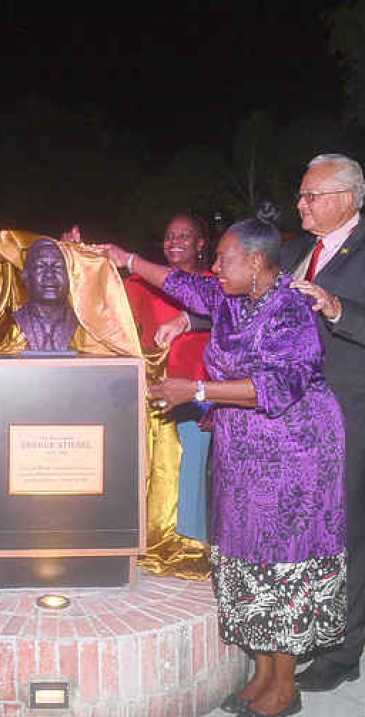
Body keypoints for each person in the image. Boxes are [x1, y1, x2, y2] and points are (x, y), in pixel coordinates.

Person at [101, 219, 347, 717]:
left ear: (256, 262)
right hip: (242, 452)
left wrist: (196, 391)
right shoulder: (233, 299)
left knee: (281, 564)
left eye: (224, 258)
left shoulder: (291, 309)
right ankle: (261, 671)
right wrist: (125, 258)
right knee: (245, 559)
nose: (214, 267)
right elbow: (181, 283)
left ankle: (286, 684)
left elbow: (277, 386)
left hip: (293, 455)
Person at [278, 154, 365, 693]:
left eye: (311, 196)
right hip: (290, 417)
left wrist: (334, 307)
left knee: (348, 534)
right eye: (301, 195)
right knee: (301, 530)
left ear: (346, 199)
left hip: (345, 415)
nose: (301, 204)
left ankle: (343, 649)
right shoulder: (293, 251)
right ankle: (306, 629)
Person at [130, 214, 214, 542]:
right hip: (152, 398)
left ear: (201, 244)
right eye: (169, 236)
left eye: (184, 236)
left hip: (199, 397)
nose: (174, 242)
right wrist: (77, 254)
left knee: (191, 478)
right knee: (153, 477)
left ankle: (189, 549)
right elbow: (100, 296)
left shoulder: (216, 285)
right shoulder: (142, 284)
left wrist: (217, 402)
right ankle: (150, 545)